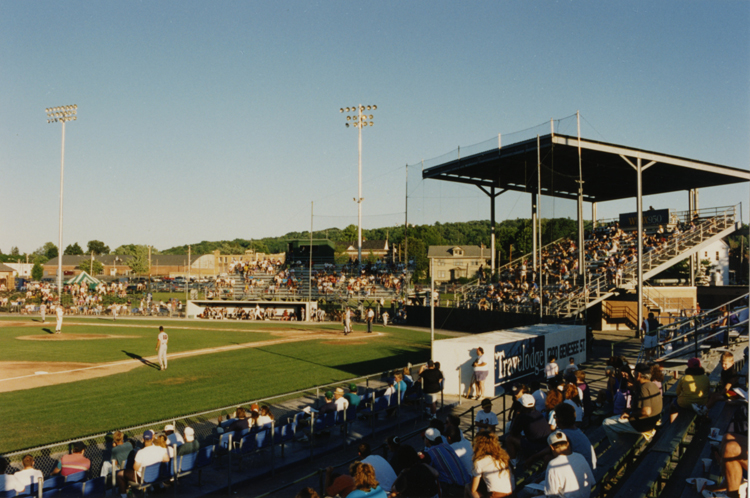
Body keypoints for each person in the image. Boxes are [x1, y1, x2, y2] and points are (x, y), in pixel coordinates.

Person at [602, 363, 662, 445]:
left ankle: (617, 449)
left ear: (639, 375)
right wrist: (630, 410)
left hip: (641, 425)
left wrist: (630, 414)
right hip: (651, 423)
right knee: (616, 422)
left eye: (635, 374)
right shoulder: (653, 385)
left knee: (606, 423)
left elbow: (646, 412)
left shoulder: (643, 388)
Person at [117, 430, 169, 498]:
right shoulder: (159, 449)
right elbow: (167, 459)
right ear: (152, 438)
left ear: (143, 439)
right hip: (156, 475)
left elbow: (135, 468)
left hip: (144, 478)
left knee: (119, 474)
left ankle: (124, 496)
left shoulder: (140, 453)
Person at [543, 431, 593, 498]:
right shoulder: (580, 456)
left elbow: (551, 493)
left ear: (552, 447)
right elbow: (591, 481)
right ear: (567, 443)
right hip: (585, 495)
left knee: (528, 490)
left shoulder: (553, 464)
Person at [466, 431, 515, 498]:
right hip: (510, 494)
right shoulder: (503, 458)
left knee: (468, 487)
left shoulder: (480, 461)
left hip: (495, 495)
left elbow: (473, 489)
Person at [506, 394, 552, 463]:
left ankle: (513, 463)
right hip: (545, 444)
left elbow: (513, 432)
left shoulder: (523, 416)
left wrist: (516, 416)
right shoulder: (537, 413)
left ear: (522, 406)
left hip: (537, 447)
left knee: (509, 439)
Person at [555, 403, 596, 471]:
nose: (555, 419)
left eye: (555, 416)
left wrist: (533, 457)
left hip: (582, 473)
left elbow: (553, 451)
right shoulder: (577, 431)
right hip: (591, 470)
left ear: (560, 419)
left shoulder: (564, 435)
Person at [669, 357, 710, 421]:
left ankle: (672, 423)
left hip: (685, 404)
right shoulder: (705, 378)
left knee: (672, 405)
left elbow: (678, 392)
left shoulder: (684, 378)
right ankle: (705, 417)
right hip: (701, 403)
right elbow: (707, 390)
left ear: (688, 367)